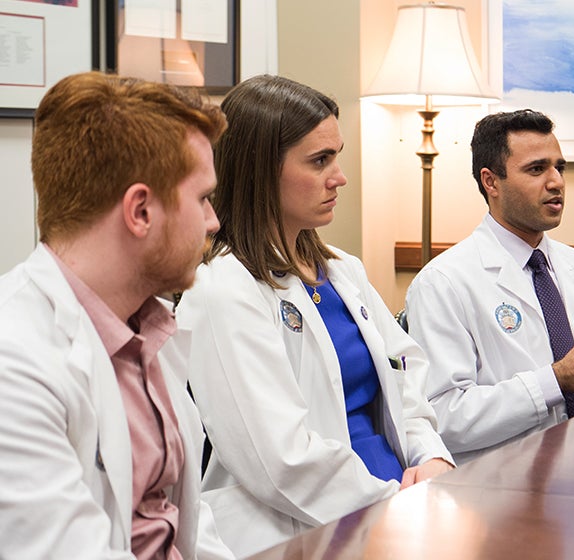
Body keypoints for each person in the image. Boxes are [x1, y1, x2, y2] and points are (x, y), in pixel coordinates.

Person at [172, 74, 454, 558]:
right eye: (320, 160)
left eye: (337, 156)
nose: (339, 176)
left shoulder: (344, 271)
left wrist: (431, 457)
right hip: (308, 527)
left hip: (400, 499)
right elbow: (278, 459)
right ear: (261, 170)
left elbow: (407, 378)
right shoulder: (222, 291)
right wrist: (395, 504)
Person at [0, 71, 235, 559]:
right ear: (141, 211)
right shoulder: (14, 363)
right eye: (202, 198)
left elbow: (184, 529)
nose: (214, 221)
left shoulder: (146, 328)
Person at [405, 109, 574, 464]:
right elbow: (443, 418)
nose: (555, 182)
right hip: (502, 486)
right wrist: (557, 380)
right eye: (536, 169)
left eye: (559, 168)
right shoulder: (444, 282)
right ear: (491, 182)